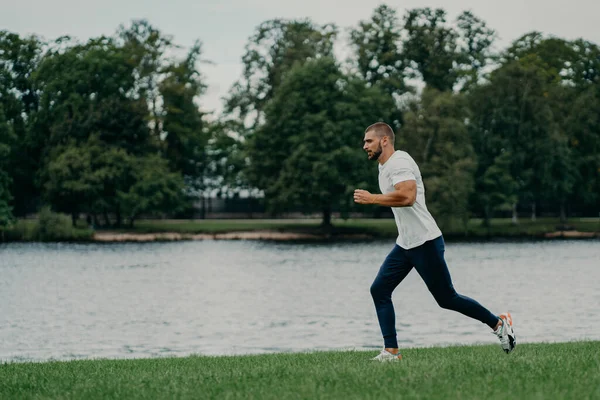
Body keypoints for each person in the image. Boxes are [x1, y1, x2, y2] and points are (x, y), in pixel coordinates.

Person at [353, 122, 516, 362]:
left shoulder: (399, 163)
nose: (364, 145)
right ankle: (391, 351)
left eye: (369, 141)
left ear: (384, 140)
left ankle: (498, 324)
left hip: (425, 242)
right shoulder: (384, 166)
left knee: (447, 298)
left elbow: (408, 196)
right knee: (379, 289)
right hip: (406, 243)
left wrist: (372, 199)